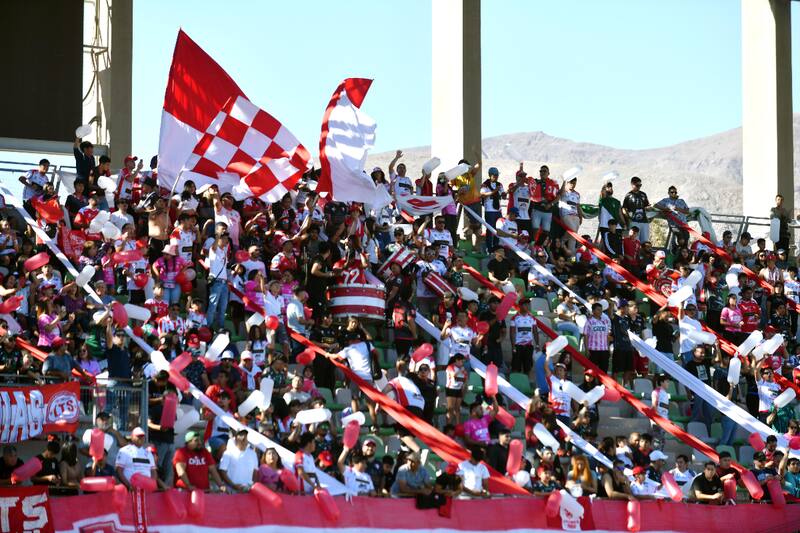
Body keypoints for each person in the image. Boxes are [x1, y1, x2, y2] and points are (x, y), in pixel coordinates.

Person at [583, 302, 612, 373]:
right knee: (590, 372)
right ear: (593, 311)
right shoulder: (589, 322)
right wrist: (586, 349)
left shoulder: (605, 321)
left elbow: (607, 335)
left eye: (601, 310)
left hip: (604, 350)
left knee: (603, 372)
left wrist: (608, 348)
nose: (600, 311)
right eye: (598, 309)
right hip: (593, 350)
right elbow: (585, 336)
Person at [622, 176, 650, 243]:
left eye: (640, 185)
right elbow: (624, 208)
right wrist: (628, 218)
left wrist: (649, 208)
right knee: (635, 241)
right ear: (632, 184)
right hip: (634, 221)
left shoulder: (643, 194)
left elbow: (647, 206)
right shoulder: (628, 195)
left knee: (645, 241)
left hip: (644, 221)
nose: (639, 187)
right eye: (637, 185)